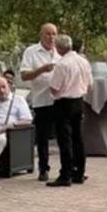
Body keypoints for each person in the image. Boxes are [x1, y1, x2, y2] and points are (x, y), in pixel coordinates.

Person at [47, 35, 92, 187]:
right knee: (78, 137)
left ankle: (65, 173)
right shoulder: (83, 61)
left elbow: (54, 88)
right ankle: (79, 172)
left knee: (64, 139)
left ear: (59, 48)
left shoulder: (62, 64)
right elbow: (90, 84)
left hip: (64, 102)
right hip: (79, 100)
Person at [19, 23, 60, 181]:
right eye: (48, 34)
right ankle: (44, 169)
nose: (51, 38)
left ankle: (67, 168)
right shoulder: (31, 52)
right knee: (42, 137)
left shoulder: (61, 52)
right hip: (42, 100)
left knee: (63, 135)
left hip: (60, 99)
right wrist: (41, 70)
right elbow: (24, 76)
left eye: (54, 34)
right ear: (41, 35)